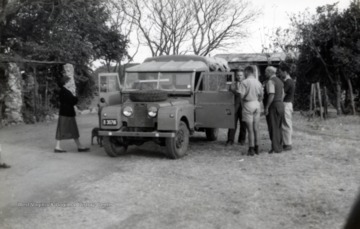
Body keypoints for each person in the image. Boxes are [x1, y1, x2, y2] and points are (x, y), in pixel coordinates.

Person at [54, 75, 89, 153]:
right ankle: (59, 146)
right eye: (68, 81)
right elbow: (72, 101)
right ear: (65, 83)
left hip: (65, 112)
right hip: (67, 113)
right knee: (70, 130)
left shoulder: (63, 91)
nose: (70, 83)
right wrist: (76, 98)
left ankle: (78, 146)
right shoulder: (65, 91)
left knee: (66, 130)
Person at [238, 66, 263, 156]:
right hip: (256, 104)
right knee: (256, 128)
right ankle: (257, 148)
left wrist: (245, 98)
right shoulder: (258, 82)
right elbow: (261, 96)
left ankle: (251, 148)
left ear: (247, 72)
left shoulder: (244, 82)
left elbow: (241, 95)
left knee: (250, 129)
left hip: (248, 104)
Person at [263, 66, 284, 153]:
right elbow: (283, 94)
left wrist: (267, 106)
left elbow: (271, 94)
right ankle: (279, 145)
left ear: (269, 72)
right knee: (279, 126)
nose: (265, 74)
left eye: (266, 72)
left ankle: (275, 147)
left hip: (273, 106)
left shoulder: (270, 81)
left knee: (273, 127)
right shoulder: (280, 81)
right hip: (280, 104)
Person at [226, 69, 247, 146]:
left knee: (243, 124)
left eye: (241, 75)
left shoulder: (246, 84)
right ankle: (230, 140)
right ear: (235, 76)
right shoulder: (232, 84)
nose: (239, 77)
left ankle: (242, 140)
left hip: (243, 106)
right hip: (234, 106)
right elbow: (229, 93)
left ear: (243, 76)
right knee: (232, 123)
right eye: (238, 75)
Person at [278, 63, 295, 151]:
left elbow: (282, 94)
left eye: (281, 72)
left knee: (286, 124)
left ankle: (288, 144)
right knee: (286, 123)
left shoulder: (288, 82)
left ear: (285, 72)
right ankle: (286, 143)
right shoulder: (288, 81)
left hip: (286, 104)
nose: (280, 74)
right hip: (288, 104)